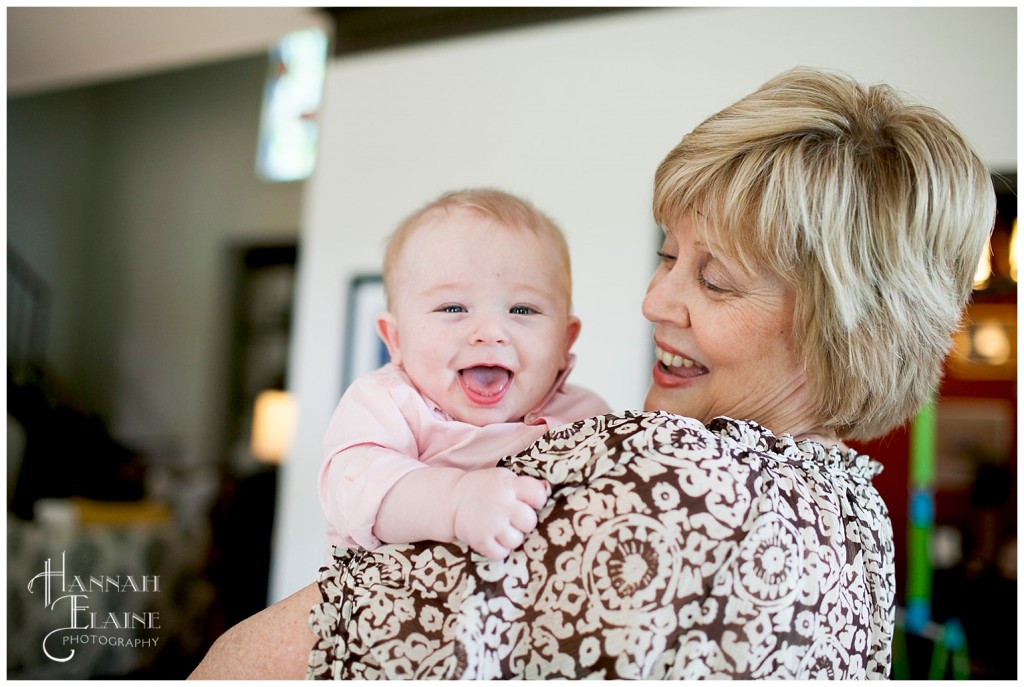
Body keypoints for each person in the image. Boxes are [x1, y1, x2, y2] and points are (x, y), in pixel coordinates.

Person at [189, 66, 995, 680]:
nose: (653, 301)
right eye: (668, 257)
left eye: (713, 281)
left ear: (842, 325)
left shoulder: (678, 480)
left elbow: (244, 666)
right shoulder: (855, 511)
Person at [319, 188, 610, 561]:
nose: (490, 331)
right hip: (396, 606)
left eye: (522, 310)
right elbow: (356, 489)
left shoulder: (587, 416)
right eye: (453, 307)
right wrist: (456, 502)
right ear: (395, 339)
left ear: (564, 340)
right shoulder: (387, 403)